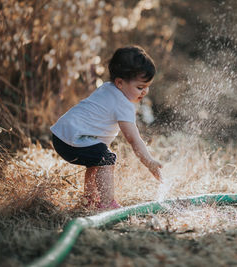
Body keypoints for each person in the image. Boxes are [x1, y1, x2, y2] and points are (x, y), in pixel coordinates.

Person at [50, 45, 162, 210]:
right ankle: (107, 204)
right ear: (120, 83)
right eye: (140, 87)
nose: (145, 91)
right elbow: (133, 139)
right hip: (74, 138)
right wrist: (149, 162)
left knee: (95, 161)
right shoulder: (123, 103)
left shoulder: (107, 88)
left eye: (147, 86)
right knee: (106, 159)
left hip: (62, 136)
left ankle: (89, 200)